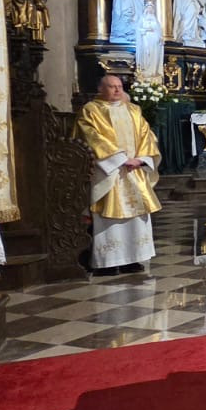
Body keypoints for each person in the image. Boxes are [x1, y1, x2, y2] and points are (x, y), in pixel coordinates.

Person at [78, 74, 163, 275]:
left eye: (119, 86)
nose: (117, 90)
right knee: (109, 218)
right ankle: (108, 263)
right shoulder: (91, 110)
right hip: (109, 172)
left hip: (134, 172)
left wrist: (141, 159)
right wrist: (120, 159)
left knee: (136, 219)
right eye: (111, 86)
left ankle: (132, 259)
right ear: (101, 89)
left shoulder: (133, 110)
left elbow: (146, 135)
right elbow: (91, 137)